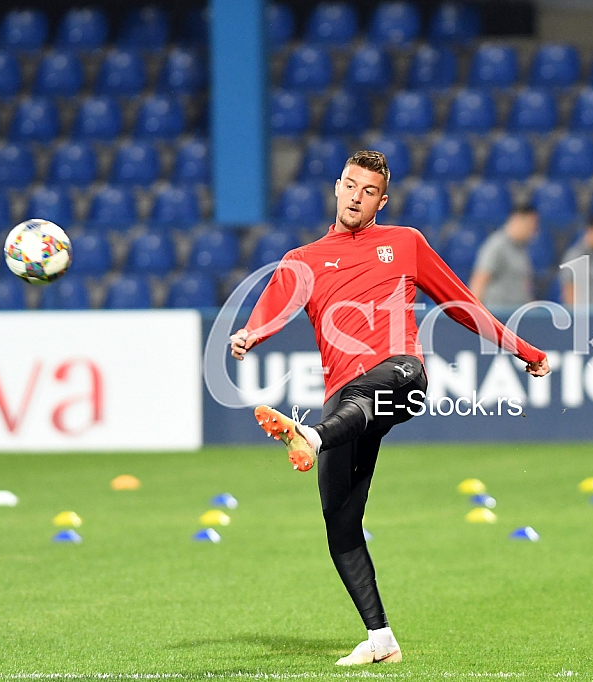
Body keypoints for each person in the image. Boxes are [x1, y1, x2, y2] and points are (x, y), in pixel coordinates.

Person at [229, 151, 549, 667]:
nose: (357, 197)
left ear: (382, 199)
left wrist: (525, 351)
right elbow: (274, 303)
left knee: (364, 396)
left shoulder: (406, 243)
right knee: (340, 523)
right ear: (337, 187)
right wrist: (251, 333)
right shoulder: (303, 258)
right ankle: (381, 639)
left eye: (369, 190)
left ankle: (311, 437)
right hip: (342, 397)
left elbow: (463, 302)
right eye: (351, 186)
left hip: (401, 374)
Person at [468, 206, 538, 307]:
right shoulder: (496, 246)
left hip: (516, 314)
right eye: (531, 226)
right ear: (517, 220)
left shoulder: (522, 249)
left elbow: (524, 286)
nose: (533, 231)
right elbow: (479, 280)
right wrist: (475, 313)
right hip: (497, 314)